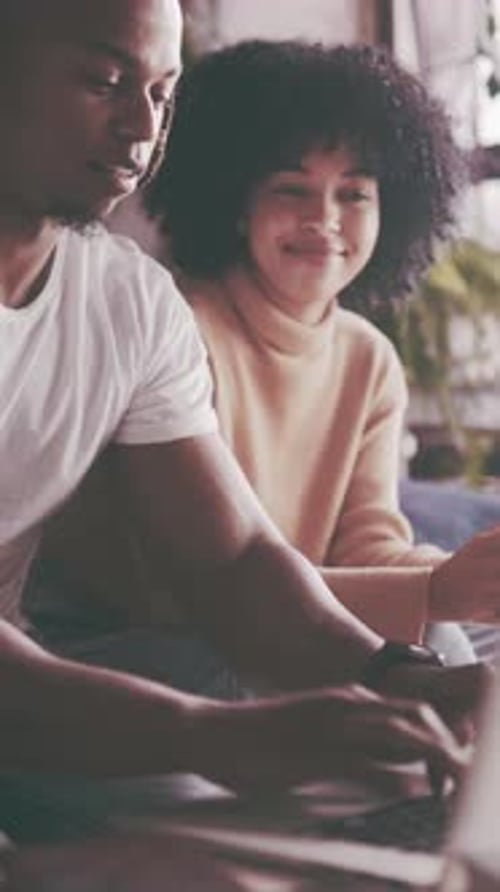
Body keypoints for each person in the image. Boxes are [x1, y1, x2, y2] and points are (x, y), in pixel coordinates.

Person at [0, 0, 485, 839]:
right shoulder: (188, 314)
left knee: (422, 712)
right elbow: (168, 601)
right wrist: (210, 735)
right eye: (106, 81)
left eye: (163, 92)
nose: (140, 126)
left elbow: (233, 560)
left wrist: (397, 675)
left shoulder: (126, 300)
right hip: (70, 674)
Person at [138, 39, 500, 655]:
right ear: (234, 202)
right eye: (291, 189)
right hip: (179, 636)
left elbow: (368, 546)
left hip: (302, 624)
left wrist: (462, 576)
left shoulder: (368, 359)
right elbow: (194, 589)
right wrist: (435, 590)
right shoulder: (177, 332)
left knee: (445, 638)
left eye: (354, 194)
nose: (324, 219)